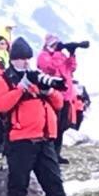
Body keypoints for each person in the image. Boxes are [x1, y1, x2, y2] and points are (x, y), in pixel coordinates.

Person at [0, 38, 85, 196]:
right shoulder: (3, 80)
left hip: (44, 140)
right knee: (17, 190)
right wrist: (20, 89)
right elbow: (1, 105)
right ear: (13, 60)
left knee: (55, 188)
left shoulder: (37, 78)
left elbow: (59, 103)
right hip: (20, 142)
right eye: (21, 59)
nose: (25, 62)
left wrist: (48, 89)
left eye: (27, 59)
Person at [36, 35, 77, 163]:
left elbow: (71, 69)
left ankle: (56, 153)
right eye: (54, 45)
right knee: (53, 126)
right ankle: (49, 153)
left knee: (62, 127)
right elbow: (50, 68)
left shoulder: (60, 56)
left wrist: (71, 54)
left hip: (65, 96)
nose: (56, 47)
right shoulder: (43, 56)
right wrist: (58, 54)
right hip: (53, 96)